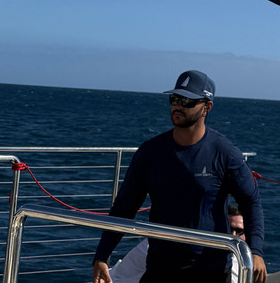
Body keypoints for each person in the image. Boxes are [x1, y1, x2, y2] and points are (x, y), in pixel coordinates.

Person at [92, 71, 266, 283]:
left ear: (207, 107)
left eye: (187, 101)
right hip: (159, 268)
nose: (178, 106)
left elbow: (251, 201)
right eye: (174, 99)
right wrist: (102, 255)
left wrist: (256, 252)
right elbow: (124, 207)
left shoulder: (224, 153)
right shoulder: (150, 152)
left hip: (209, 272)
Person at [108, 204, 247, 283]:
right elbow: (121, 274)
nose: (233, 235)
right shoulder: (157, 245)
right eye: (229, 229)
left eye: (239, 231)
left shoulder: (244, 261)